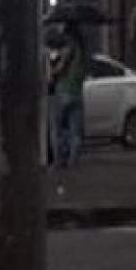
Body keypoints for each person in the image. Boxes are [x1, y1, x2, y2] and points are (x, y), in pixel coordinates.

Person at [51, 23, 89, 168]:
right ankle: (73, 162)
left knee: (59, 128)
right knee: (75, 131)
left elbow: (60, 68)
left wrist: (53, 69)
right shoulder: (83, 51)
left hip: (64, 90)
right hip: (77, 92)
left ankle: (59, 161)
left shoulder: (69, 47)